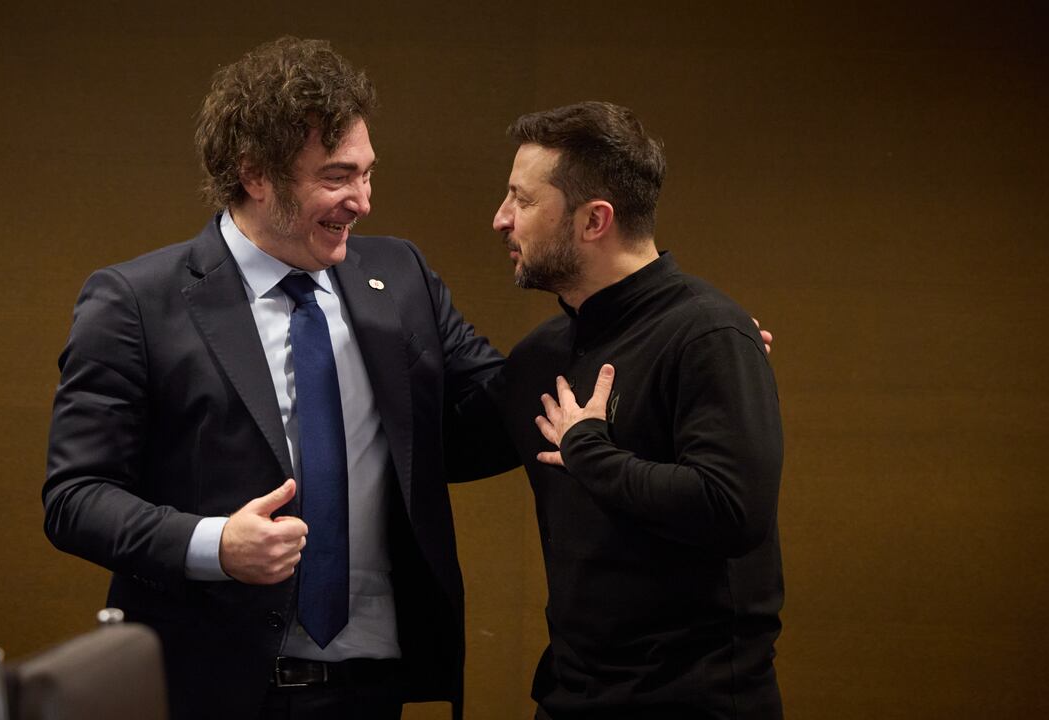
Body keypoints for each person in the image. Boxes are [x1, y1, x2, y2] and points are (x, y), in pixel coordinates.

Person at [43, 37, 512, 720]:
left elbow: (492, 413)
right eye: (337, 176)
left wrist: (595, 306)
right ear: (256, 174)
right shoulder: (135, 303)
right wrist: (214, 546)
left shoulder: (400, 278)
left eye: (368, 173)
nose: (363, 201)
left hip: (370, 687)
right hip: (208, 686)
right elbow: (75, 497)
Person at [492, 102, 785, 719]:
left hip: (694, 702)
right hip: (572, 696)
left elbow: (733, 510)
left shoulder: (707, 332)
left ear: (594, 220)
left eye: (522, 200)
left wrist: (591, 452)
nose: (501, 219)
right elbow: (435, 445)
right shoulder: (540, 354)